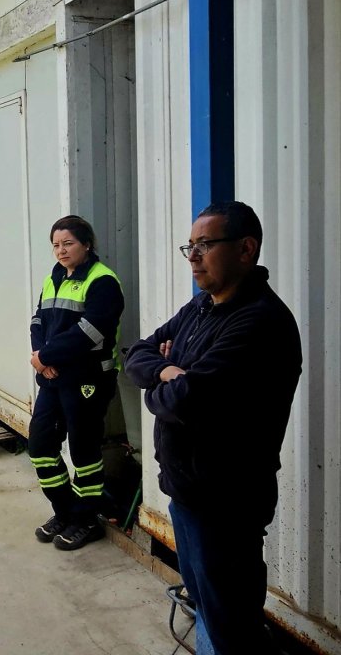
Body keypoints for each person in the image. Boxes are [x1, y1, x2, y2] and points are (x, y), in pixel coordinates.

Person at [126, 201, 300, 655]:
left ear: (246, 249)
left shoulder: (260, 321)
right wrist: (167, 370)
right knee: (209, 608)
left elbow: (188, 399)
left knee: (230, 625)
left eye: (205, 244)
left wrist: (162, 385)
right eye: (190, 246)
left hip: (226, 503)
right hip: (187, 490)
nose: (193, 257)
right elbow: (137, 354)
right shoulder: (201, 306)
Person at [27, 215, 125, 551]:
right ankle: (65, 510)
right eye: (56, 245)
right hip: (53, 376)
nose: (61, 250)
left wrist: (46, 356)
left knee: (84, 452)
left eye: (68, 243)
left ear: (86, 244)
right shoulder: (53, 277)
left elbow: (90, 332)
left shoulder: (102, 281)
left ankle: (86, 520)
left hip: (87, 379)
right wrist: (41, 356)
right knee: (40, 446)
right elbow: (38, 320)